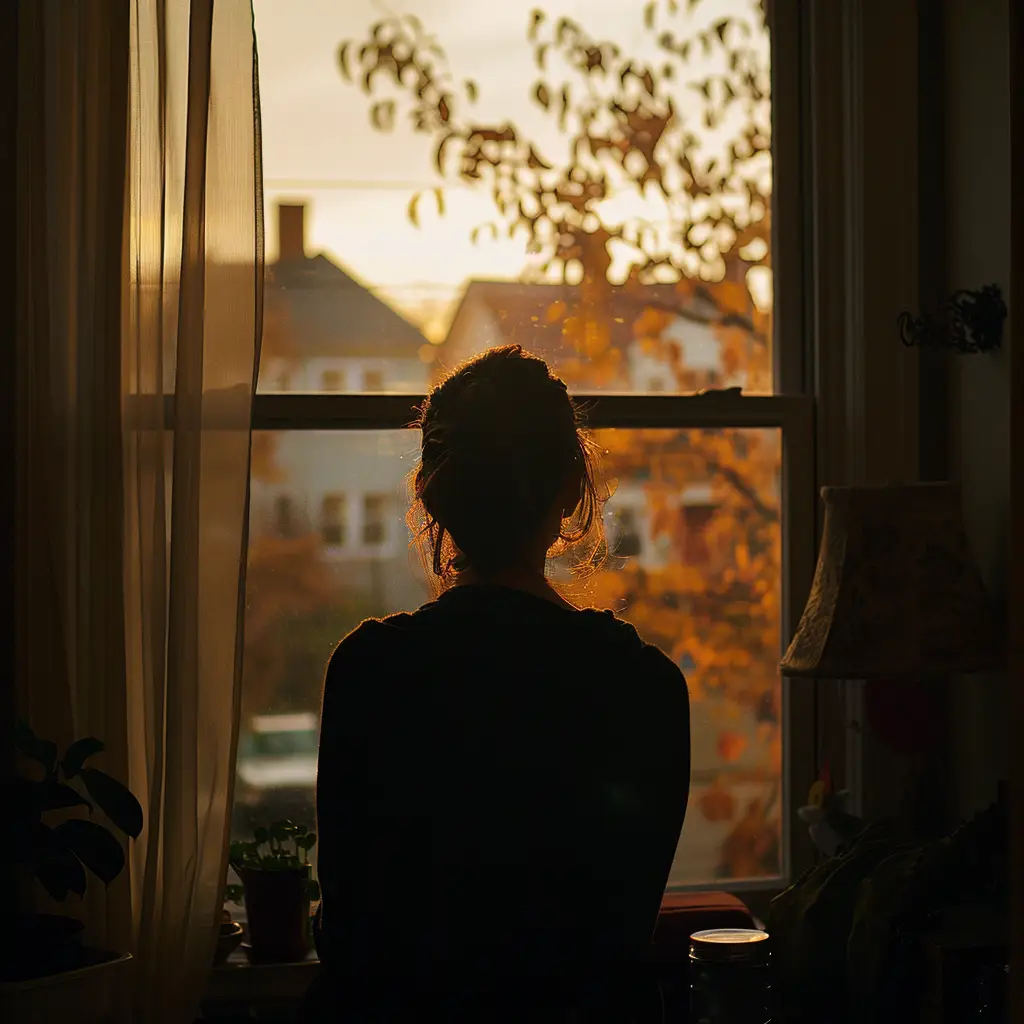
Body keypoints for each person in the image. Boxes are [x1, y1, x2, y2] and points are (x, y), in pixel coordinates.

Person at [303, 346, 690, 1022]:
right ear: (572, 489)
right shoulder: (643, 686)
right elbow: (621, 932)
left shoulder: (371, 671)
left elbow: (351, 936)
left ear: (430, 490)